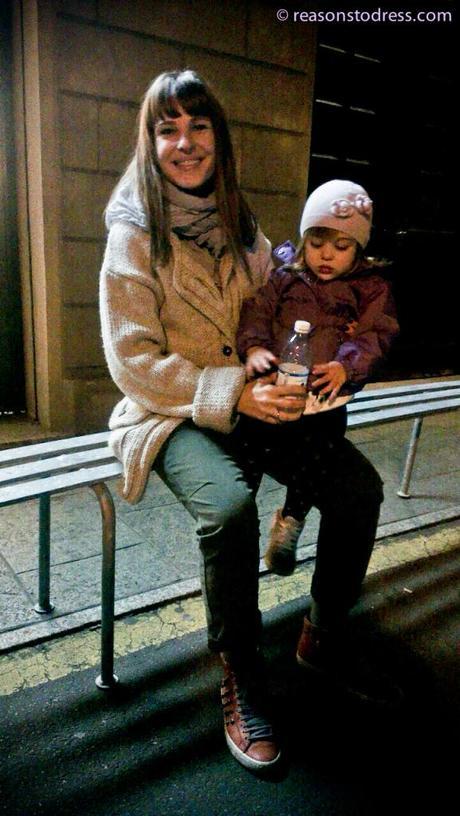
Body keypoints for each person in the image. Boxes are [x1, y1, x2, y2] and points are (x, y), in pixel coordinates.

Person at [100, 69, 308, 773]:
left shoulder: (240, 219)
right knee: (227, 509)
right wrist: (234, 392)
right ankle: (240, 672)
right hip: (165, 409)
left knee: (348, 477)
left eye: (198, 125)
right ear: (151, 139)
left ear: (218, 136)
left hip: (242, 392)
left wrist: (303, 354)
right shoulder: (132, 231)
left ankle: (328, 630)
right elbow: (132, 362)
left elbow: (274, 305)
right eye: (167, 129)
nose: (184, 142)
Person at [236, 179, 399, 670]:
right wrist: (254, 348)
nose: (327, 254)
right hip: (275, 392)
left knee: (321, 456)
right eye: (317, 241)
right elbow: (257, 311)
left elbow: (378, 336)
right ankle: (245, 533)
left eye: (342, 245)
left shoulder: (370, 288)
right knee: (247, 459)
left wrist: (347, 365)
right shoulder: (286, 276)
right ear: (303, 238)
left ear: (360, 248)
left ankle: (291, 517)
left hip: (325, 400)